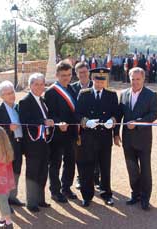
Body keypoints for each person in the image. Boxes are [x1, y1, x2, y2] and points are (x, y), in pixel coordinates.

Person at [115, 67, 157, 210]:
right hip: (128, 140)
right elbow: (119, 115)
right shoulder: (124, 94)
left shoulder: (151, 95)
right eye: (132, 79)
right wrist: (116, 133)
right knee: (132, 169)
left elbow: (153, 115)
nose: (135, 82)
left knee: (145, 169)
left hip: (144, 139)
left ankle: (145, 198)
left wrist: (137, 123)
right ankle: (135, 194)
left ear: (143, 79)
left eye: (138, 79)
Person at [76, 67, 118, 207]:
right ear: (92, 79)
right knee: (87, 167)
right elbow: (77, 113)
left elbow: (116, 113)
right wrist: (86, 122)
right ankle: (87, 196)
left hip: (104, 137)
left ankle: (107, 194)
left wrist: (112, 121)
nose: (100, 84)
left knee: (105, 167)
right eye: (97, 81)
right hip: (88, 137)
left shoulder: (111, 95)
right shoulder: (84, 94)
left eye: (102, 81)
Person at [19, 73, 54, 212]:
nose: (40, 87)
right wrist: (43, 122)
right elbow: (24, 120)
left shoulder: (42, 100)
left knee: (43, 172)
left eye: (42, 84)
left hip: (44, 143)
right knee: (32, 173)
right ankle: (31, 202)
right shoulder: (25, 101)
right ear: (30, 85)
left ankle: (40, 199)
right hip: (32, 145)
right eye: (36, 84)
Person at [45, 61, 78, 203]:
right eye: (63, 75)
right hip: (57, 134)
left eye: (69, 74)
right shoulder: (51, 91)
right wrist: (58, 122)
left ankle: (66, 187)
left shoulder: (72, 89)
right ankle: (55, 190)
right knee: (55, 163)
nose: (66, 77)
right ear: (57, 75)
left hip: (70, 132)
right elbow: (49, 113)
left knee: (70, 162)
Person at [0, 80, 24, 207]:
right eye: (8, 93)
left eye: (12, 92)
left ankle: (12, 197)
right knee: (5, 175)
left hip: (19, 144)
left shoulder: (19, 107)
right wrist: (8, 129)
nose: (12, 95)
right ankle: (5, 203)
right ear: (2, 96)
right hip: (6, 147)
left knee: (16, 172)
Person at [71, 62, 102, 190]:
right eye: (80, 72)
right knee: (79, 154)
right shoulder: (72, 88)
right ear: (77, 74)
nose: (83, 74)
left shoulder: (96, 84)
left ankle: (96, 178)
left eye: (85, 71)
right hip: (79, 128)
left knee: (97, 153)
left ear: (89, 72)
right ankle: (80, 177)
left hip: (95, 126)